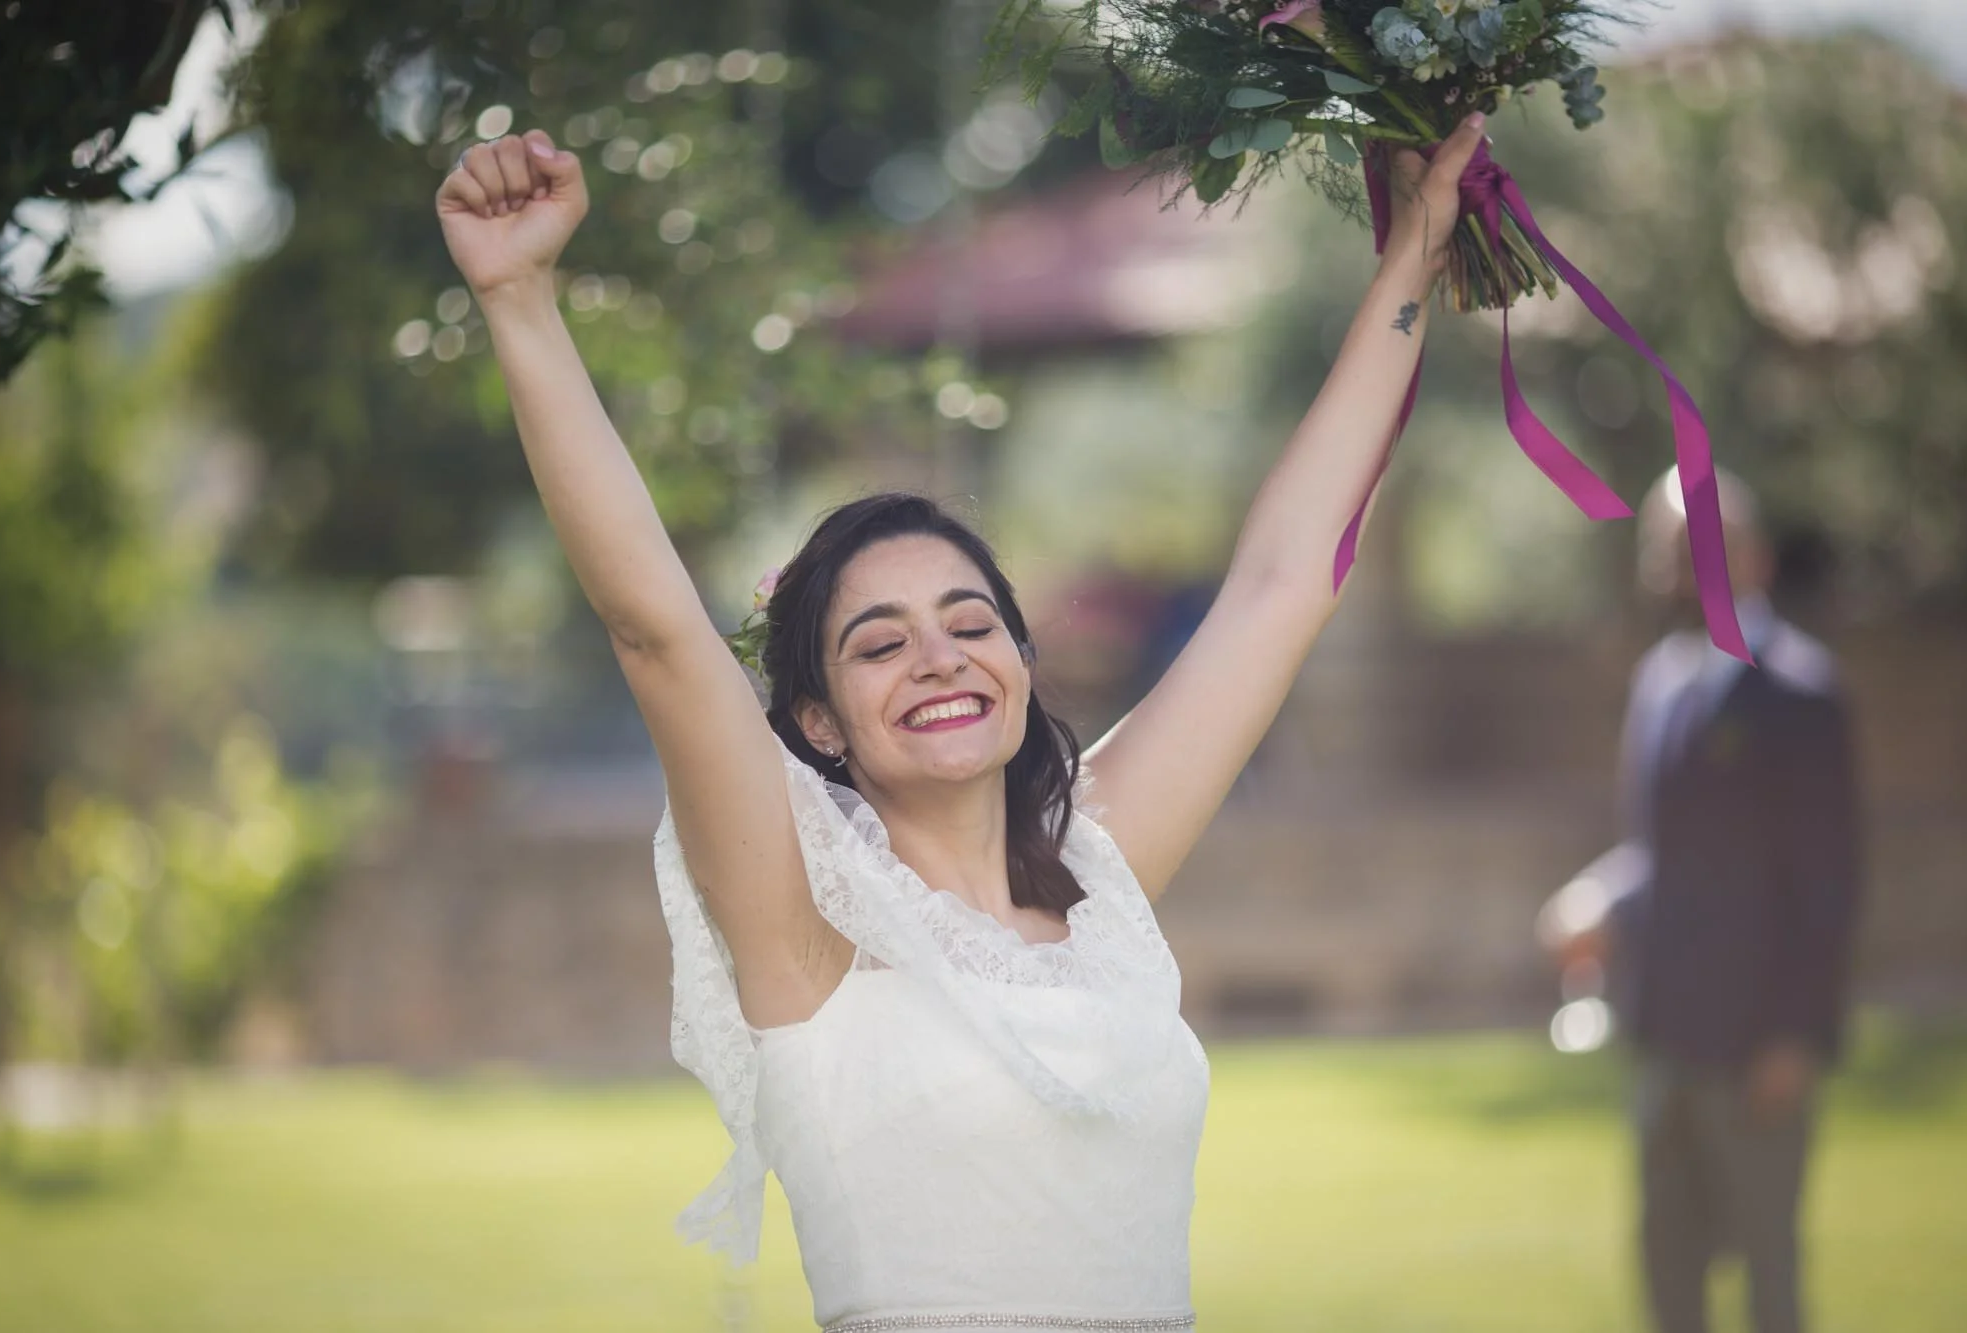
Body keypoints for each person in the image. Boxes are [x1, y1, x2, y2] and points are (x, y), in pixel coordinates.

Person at [436, 110, 1488, 1331]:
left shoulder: (1100, 872)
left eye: (968, 621)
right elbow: (657, 632)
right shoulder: (808, 932)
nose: (938, 656)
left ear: (1023, 662)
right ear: (821, 723)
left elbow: (1278, 582)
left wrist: (1413, 251)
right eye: (879, 643)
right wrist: (518, 299)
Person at [1544, 469, 1863, 1333]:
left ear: (1751, 556)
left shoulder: (1801, 692)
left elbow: (1827, 880)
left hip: (1757, 1044)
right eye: (1662, 554)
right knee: (1667, 1272)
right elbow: (1666, 854)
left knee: (1768, 1278)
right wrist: (1600, 895)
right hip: (1662, 1039)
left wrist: (1796, 1034)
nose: (1672, 574)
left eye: (1691, 554)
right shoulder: (1659, 683)